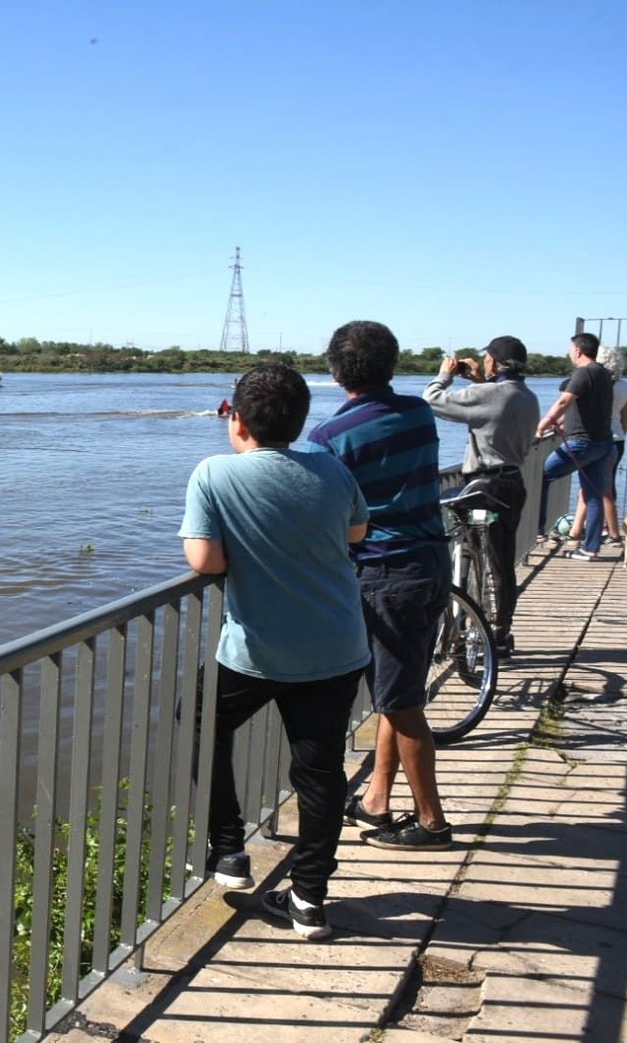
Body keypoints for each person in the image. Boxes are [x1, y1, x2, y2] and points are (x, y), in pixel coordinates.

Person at [181, 363, 369, 940]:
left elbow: (204, 563)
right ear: (301, 419)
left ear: (236, 418)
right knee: (319, 771)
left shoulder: (214, 474)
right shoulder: (332, 468)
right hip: (337, 646)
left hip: (256, 652)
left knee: (201, 722)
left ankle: (229, 849)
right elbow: (356, 535)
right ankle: (310, 899)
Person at [308, 320, 453, 852]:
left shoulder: (329, 438)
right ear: (392, 365)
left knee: (401, 702)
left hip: (384, 574)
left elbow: (328, 516)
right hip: (432, 562)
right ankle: (377, 799)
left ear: (335, 370)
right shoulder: (418, 412)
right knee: (401, 690)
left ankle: (433, 823)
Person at [421, 337, 540, 656]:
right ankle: (501, 630)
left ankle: (479, 627)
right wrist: (479, 381)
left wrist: (444, 374)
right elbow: (498, 406)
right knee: (502, 561)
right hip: (512, 483)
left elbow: (431, 400)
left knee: (481, 554)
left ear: (493, 363)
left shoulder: (488, 394)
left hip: (485, 487)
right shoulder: (528, 397)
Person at [535, 332, 616, 561]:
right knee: (593, 496)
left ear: (578, 351)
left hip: (582, 443)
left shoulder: (583, 373)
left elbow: (564, 402)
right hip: (603, 443)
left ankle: (537, 530)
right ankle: (590, 549)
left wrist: (544, 423)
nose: (570, 353)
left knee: (541, 477)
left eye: (571, 349)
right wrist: (561, 423)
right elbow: (585, 409)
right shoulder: (603, 374)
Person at [566, 344, 627, 546]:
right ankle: (578, 530)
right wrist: (619, 434)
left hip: (593, 439)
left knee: (600, 488)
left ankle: (612, 533)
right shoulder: (624, 386)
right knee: (598, 486)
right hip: (617, 440)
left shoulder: (593, 383)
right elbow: (626, 417)